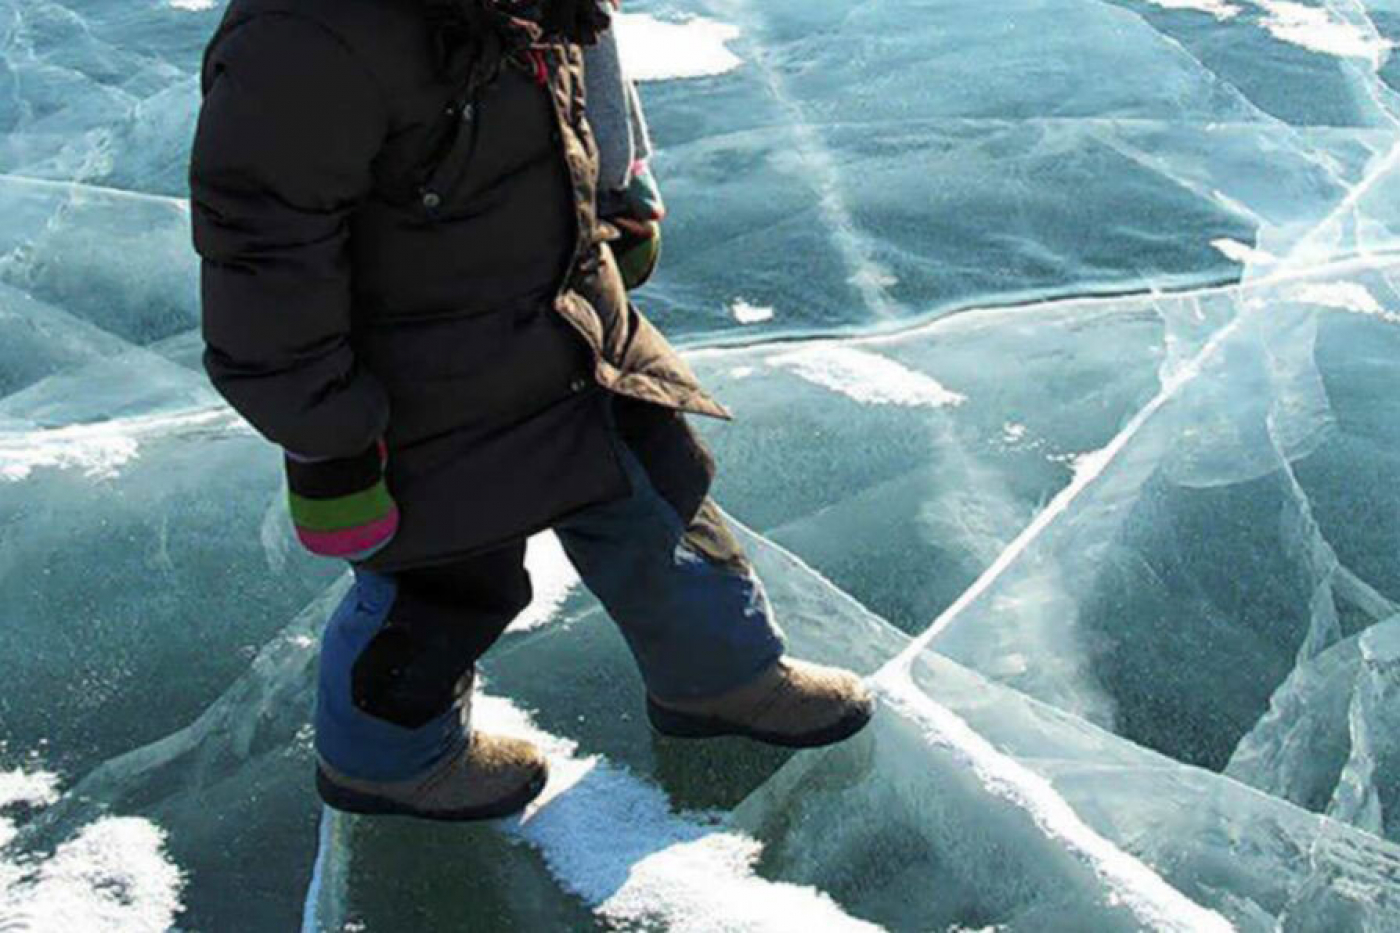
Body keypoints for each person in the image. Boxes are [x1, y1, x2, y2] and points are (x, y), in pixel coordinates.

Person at [188, 0, 874, 823]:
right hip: (424, 391)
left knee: (662, 501)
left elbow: (589, 72)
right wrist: (328, 432)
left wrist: (620, 191)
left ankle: (725, 680)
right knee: (442, 583)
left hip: (576, 327)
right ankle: (386, 760)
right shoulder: (306, 37)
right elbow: (262, 261)